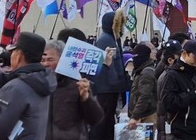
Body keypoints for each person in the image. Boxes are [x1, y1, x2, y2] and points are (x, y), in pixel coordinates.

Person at [0, 32, 57, 140]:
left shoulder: (16, 87)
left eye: (12, 52)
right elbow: (7, 80)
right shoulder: (41, 80)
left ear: (19, 56)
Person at [41, 40, 104, 140]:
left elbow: (95, 119)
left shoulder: (78, 84)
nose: (45, 64)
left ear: (63, 60)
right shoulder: (38, 84)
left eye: (50, 59)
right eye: (42, 60)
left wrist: (86, 98)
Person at [161, 40, 196, 140]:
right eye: (195, 58)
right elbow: (168, 103)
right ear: (184, 54)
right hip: (182, 133)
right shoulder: (172, 75)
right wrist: (194, 94)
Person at [91, 10, 129, 139]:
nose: (122, 28)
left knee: (108, 122)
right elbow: (106, 66)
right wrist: (115, 82)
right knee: (103, 122)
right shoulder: (105, 40)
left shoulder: (112, 38)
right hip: (106, 89)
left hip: (111, 88)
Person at [154, 40, 183, 140]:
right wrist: (163, 133)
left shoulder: (170, 74)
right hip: (170, 128)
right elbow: (162, 108)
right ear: (170, 60)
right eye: (180, 55)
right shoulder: (167, 77)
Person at [128, 44, 157, 129]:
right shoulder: (141, 71)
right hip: (144, 115)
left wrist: (135, 116)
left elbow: (144, 96)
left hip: (147, 116)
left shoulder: (146, 73)